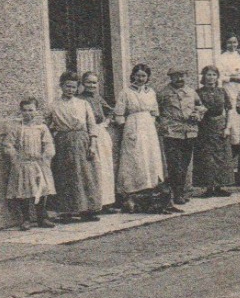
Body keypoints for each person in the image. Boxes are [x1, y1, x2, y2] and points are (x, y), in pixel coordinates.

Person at [115, 63, 171, 213]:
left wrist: (151, 125)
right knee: (135, 159)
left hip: (148, 127)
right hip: (133, 126)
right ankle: (132, 193)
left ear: (147, 78)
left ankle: (151, 191)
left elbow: (154, 112)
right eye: (138, 75)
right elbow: (119, 114)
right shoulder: (125, 92)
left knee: (150, 158)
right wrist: (126, 128)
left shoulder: (150, 92)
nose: (140, 79)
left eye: (144, 76)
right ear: (133, 75)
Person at [46, 72, 102, 221]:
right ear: (61, 86)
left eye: (73, 87)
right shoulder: (54, 105)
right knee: (66, 176)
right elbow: (46, 125)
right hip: (63, 142)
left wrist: (93, 145)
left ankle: (87, 210)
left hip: (82, 140)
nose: (70, 89)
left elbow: (92, 125)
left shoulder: (83, 103)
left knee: (85, 174)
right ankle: (67, 211)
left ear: (77, 88)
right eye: (67, 86)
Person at [3, 97, 56, 230]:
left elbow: (48, 144)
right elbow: (8, 145)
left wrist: (46, 156)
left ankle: (42, 217)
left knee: (41, 191)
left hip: (38, 163)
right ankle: (26, 219)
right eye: (25, 110)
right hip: (23, 164)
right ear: (21, 112)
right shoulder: (16, 128)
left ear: (36, 111)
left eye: (31, 110)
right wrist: (14, 157)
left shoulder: (41, 128)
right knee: (24, 192)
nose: (28, 113)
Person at [157, 68, 203, 207]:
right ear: (170, 78)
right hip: (172, 132)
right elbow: (156, 112)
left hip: (189, 131)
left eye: (181, 76)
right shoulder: (163, 93)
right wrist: (164, 125)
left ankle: (180, 192)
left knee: (184, 163)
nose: (179, 79)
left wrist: (198, 114)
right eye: (176, 77)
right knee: (174, 164)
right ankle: (175, 194)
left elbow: (200, 106)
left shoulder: (191, 92)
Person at [79, 71, 118, 212]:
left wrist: (106, 122)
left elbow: (111, 111)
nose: (91, 85)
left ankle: (107, 202)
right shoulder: (79, 99)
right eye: (88, 82)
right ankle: (94, 204)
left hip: (101, 133)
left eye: (94, 82)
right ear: (83, 84)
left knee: (106, 167)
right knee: (93, 167)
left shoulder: (98, 98)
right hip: (88, 134)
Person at [192, 66, 234, 198]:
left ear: (217, 77)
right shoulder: (198, 92)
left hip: (220, 125)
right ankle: (208, 187)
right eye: (208, 75)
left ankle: (220, 186)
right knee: (206, 157)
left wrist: (227, 128)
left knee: (221, 156)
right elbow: (195, 109)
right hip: (205, 126)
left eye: (214, 75)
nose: (211, 78)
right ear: (203, 77)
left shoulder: (222, 91)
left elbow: (229, 110)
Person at [215, 34, 240, 148]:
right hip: (229, 87)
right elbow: (220, 76)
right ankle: (234, 142)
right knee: (232, 111)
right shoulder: (221, 58)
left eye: (234, 42)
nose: (232, 45)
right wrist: (232, 78)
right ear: (225, 44)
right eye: (229, 42)